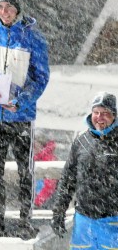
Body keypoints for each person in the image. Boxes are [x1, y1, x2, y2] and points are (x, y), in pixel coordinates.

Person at [0, 0, 49, 240]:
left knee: (24, 171)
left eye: (8, 6)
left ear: (18, 8)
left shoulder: (34, 38)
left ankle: (25, 220)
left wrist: (21, 101)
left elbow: (41, 78)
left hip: (20, 116)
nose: (4, 11)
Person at [51, 92, 118, 249]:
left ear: (114, 115)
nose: (99, 117)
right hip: (83, 222)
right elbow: (67, 179)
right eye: (96, 112)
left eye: (105, 113)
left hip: (112, 221)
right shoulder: (81, 142)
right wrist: (58, 212)